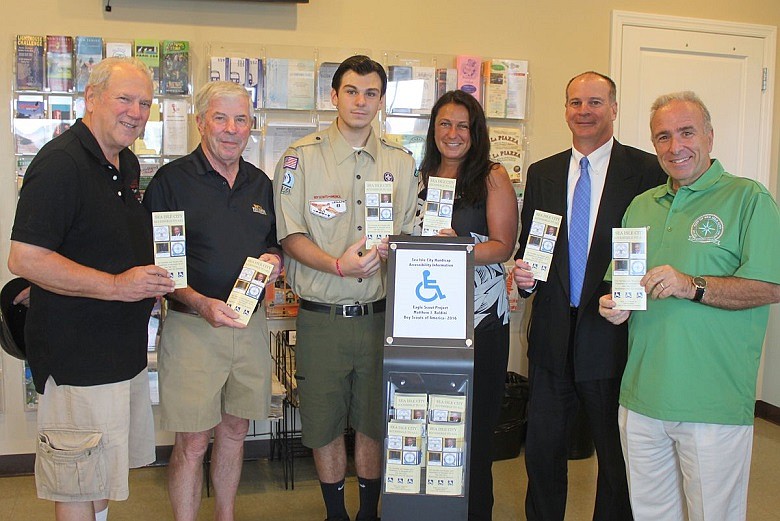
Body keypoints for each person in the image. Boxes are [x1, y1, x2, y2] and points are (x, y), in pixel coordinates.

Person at [7, 57, 175, 521]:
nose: (136, 112)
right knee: (78, 482)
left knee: (100, 477)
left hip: (118, 357)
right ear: (91, 98)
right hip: (76, 359)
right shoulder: (61, 163)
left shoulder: (123, 163)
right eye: (124, 99)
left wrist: (149, 280)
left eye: (145, 103)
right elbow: (25, 258)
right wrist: (120, 285)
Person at [599, 91, 780, 520]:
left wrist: (691, 284)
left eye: (686, 132)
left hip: (712, 403)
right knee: (650, 513)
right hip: (641, 398)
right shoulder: (642, 205)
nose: (674, 146)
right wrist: (615, 304)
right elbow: (623, 286)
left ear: (710, 137)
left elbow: (771, 286)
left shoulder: (749, 199)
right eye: (662, 136)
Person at [512, 71, 666, 521]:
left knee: (616, 460)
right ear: (565, 110)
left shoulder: (645, 172)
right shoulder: (542, 173)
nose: (584, 111)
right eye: (575, 102)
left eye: (595, 102)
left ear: (614, 109)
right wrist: (523, 276)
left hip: (613, 336)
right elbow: (534, 251)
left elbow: (649, 246)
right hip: (551, 339)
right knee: (541, 453)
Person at [272, 55, 417, 521]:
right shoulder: (300, 158)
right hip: (322, 317)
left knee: (375, 422)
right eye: (351, 91)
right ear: (333, 96)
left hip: (379, 318)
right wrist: (337, 265)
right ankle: (336, 514)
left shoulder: (400, 161)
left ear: (381, 99)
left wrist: (402, 250)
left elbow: (412, 233)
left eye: (371, 92)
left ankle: (369, 513)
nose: (360, 101)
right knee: (324, 423)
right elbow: (290, 235)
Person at [143, 81, 282, 521]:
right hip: (193, 327)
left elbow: (274, 245)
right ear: (200, 121)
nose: (231, 129)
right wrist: (201, 303)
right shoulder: (172, 181)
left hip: (249, 325)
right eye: (220, 118)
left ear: (251, 126)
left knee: (236, 431)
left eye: (241, 119)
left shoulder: (260, 184)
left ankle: (226, 515)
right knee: (193, 440)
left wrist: (274, 261)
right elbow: (162, 266)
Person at [412, 90, 517, 520]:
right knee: (429, 425)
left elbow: (503, 245)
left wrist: (461, 248)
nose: (453, 134)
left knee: (473, 432)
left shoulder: (492, 176)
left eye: (463, 126)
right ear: (433, 129)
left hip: (480, 322)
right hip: (425, 319)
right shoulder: (419, 176)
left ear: (476, 133)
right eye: (444, 124)